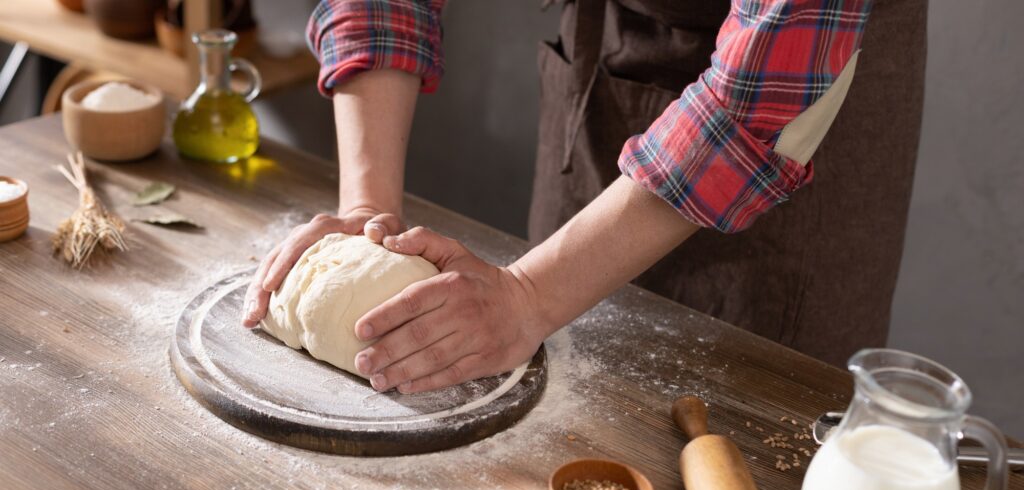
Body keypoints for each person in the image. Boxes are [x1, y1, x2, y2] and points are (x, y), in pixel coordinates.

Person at [243, 0, 926, 395]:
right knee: (562, 398)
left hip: (802, 99)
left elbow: (767, 77)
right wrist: (367, 217)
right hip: (613, 51)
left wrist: (530, 297)